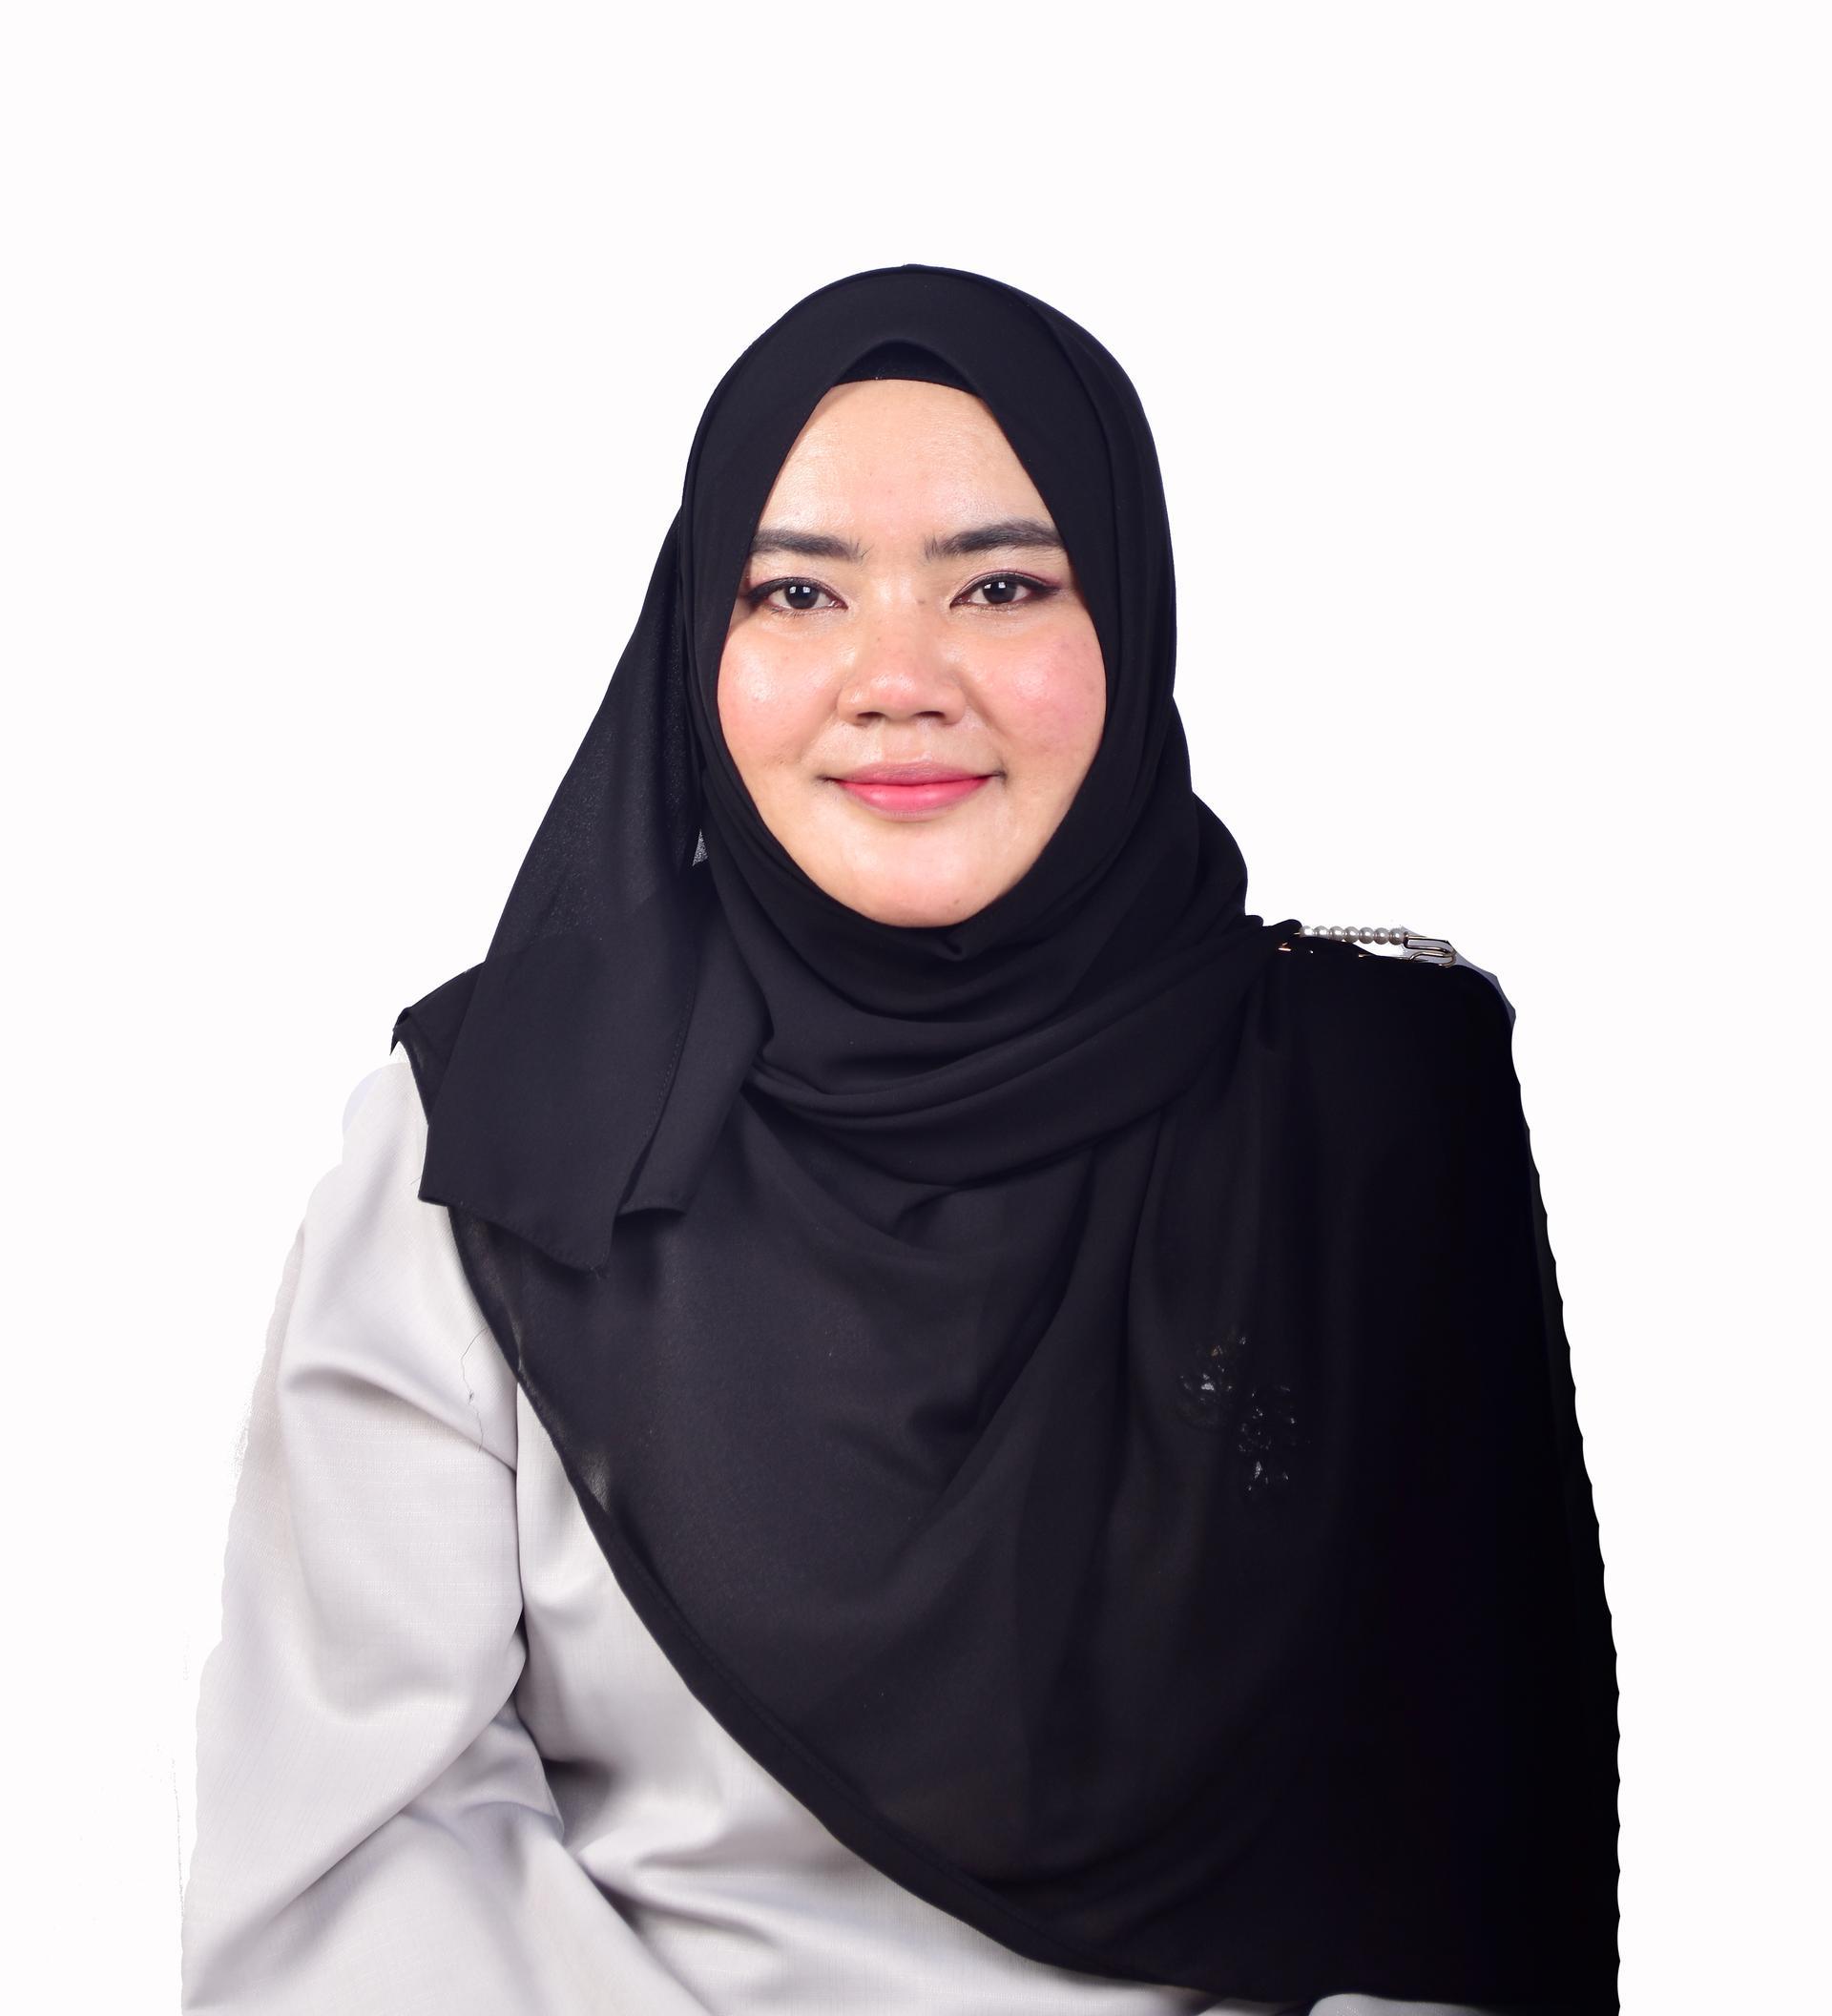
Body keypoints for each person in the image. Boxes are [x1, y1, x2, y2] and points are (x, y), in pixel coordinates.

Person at [181, 264, 1618, 2015]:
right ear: (699, 641)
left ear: (1132, 615)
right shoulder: (495, 1124)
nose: (896, 680)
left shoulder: (1374, 1107)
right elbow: (356, 1848)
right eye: (798, 592)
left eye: (1000, 585)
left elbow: (1477, 1858)